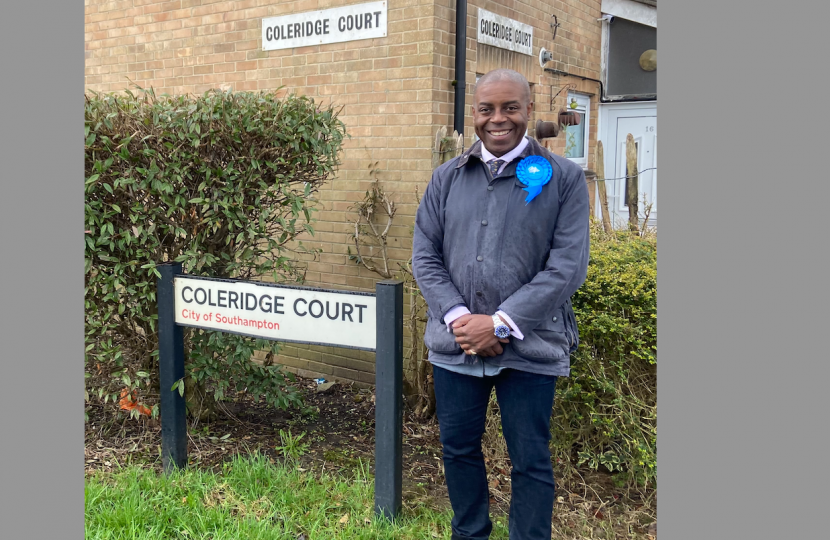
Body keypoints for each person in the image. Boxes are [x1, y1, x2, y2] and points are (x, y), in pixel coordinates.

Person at [412, 68, 590, 540]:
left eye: (510, 107)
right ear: (473, 114)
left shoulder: (564, 179)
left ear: (529, 111)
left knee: (530, 459)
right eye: (486, 109)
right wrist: (460, 320)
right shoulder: (447, 177)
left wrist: (503, 323)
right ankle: (469, 534)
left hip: (531, 347)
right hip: (457, 345)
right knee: (458, 450)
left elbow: (567, 266)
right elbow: (424, 255)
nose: (498, 119)